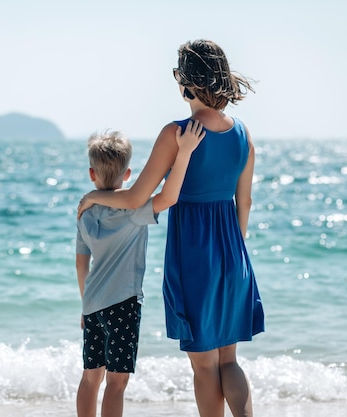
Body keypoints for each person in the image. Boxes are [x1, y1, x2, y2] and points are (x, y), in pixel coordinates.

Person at [77, 39, 265, 417]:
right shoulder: (243, 134)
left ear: (187, 83)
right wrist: (233, 250)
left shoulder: (177, 134)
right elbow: (244, 202)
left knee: (203, 365)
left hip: (195, 256)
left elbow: (136, 199)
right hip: (234, 256)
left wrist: (92, 199)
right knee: (229, 359)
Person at [76, 124, 205, 417]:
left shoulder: (84, 213)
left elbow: (80, 263)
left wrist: (85, 305)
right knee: (116, 383)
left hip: (93, 305)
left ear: (91, 174)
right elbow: (169, 197)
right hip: (123, 305)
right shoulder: (133, 211)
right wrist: (184, 153)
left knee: (90, 377)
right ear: (128, 175)